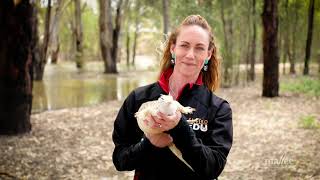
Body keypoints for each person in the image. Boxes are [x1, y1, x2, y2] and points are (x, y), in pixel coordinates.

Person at [112, 14, 233, 180]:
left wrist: (180, 127)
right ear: (172, 48)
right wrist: (149, 143)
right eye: (184, 45)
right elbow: (120, 160)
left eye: (199, 48)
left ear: (208, 54)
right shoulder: (138, 98)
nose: (190, 55)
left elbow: (213, 168)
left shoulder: (218, 108)